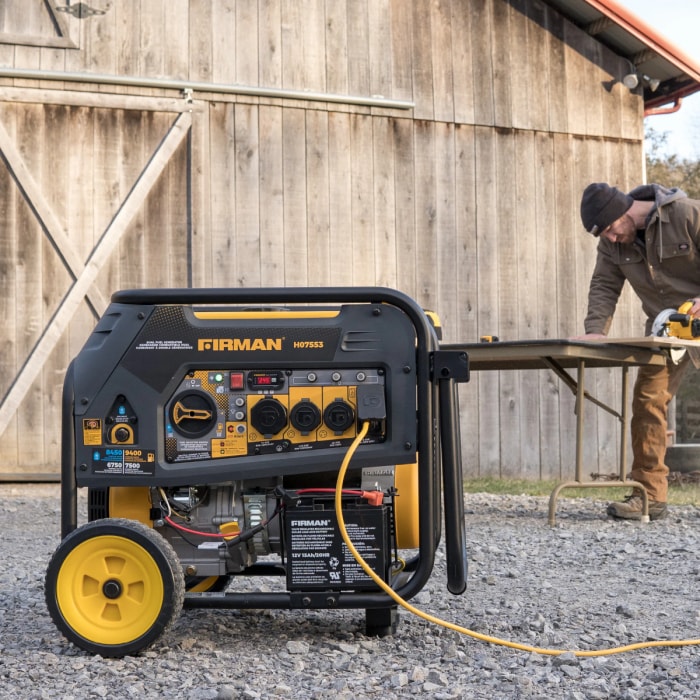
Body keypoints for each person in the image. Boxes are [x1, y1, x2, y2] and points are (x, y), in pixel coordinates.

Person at [578, 182, 700, 521]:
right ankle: (649, 496)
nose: (611, 239)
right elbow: (604, 285)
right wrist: (594, 331)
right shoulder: (611, 244)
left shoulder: (688, 214)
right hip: (666, 328)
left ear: (623, 211)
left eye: (611, 230)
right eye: (603, 235)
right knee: (648, 402)